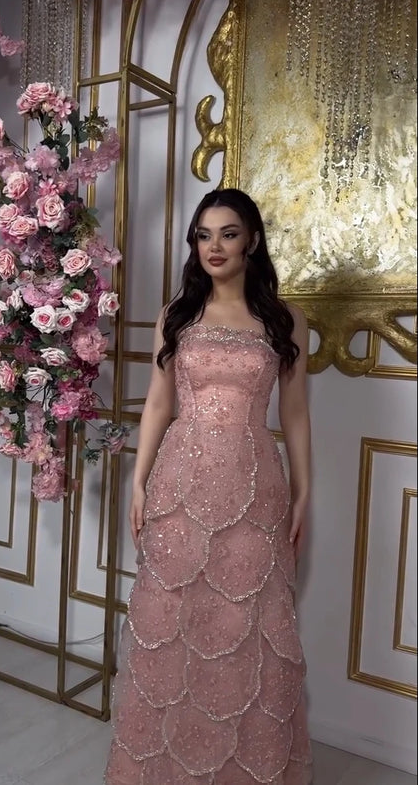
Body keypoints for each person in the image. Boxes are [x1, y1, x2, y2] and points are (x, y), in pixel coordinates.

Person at [105, 188, 313, 784]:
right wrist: (139, 483)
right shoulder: (177, 315)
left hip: (256, 490)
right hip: (178, 489)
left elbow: (295, 415)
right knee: (174, 622)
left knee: (247, 625)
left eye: (227, 233)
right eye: (203, 234)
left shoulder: (284, 318)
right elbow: (157, 406)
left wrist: (303, 494)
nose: (214, 246)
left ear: (251, 239)